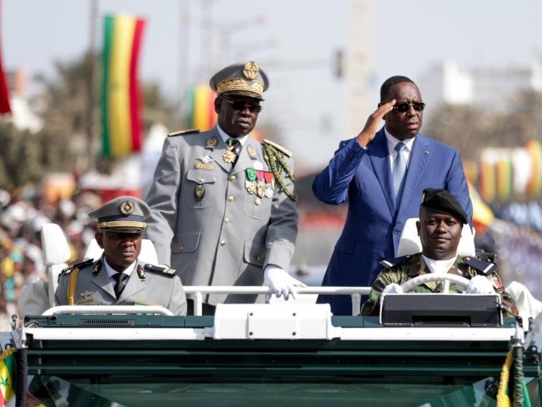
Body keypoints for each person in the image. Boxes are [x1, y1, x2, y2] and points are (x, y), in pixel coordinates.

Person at [145, 61, 301, 312]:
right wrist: (161, 271)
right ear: (218, 105)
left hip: (246, 288)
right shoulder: (183, 148)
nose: (247, 112)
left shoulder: (276, 160)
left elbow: (284, 221)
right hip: (187, 283)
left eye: (254, 107)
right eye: (238, 104)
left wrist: (276, 265)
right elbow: (160, 214)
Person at [314, 76, 472, 315]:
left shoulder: (445, 158)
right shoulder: (358, 150)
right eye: (402, 107)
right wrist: (363, 138)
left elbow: (462, 219)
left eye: (417, 106)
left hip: (418, 283)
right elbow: (328, 193)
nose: (412, 113)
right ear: (383, 111)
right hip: (357, 276)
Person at [360, 188, 512, 317]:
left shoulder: (479, 274)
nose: (441, 229)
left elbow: (513, 316)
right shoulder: (395, 275)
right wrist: (383, 304)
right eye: (432, 222)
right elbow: (365, 321)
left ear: (461, 231)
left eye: (450, 223)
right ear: (419, 228)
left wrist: (493, 298)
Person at [54, 196, 187, 316]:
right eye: (117, 235)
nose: (128, 242)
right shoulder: (73, 282)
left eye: (134, 235)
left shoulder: (167, 285)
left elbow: (179, 339)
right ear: (100, 240)